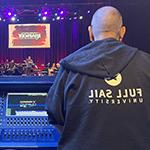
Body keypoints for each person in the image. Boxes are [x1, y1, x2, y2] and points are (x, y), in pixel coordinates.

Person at [46, 6, 150, 150]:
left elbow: (54, 114)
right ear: (122, 32)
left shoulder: (68, 68)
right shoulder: (147, 63)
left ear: (90, 33)